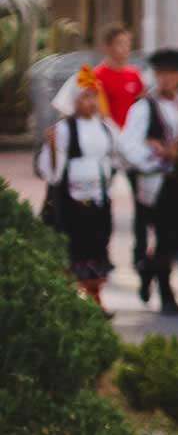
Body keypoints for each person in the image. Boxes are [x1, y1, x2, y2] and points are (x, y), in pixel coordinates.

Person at [120, 49, 178, 314]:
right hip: (155, 181)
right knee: (162, 235)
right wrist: (157, 155)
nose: (166, 79)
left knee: (176, 237)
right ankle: (165, 292)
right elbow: (129, 146)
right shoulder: (144, 106)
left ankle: (149, 269)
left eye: (172, 74)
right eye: (161, 74)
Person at [36, 70, 120, 311]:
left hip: (99, 197)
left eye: (94, 96)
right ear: (73, 100)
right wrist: (52, 148)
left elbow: (115, 156)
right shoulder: (64, 129)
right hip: (72, 200)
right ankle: (66, 301)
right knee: (73, 247)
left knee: (97, 245)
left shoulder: (105, 127)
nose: (90, 102)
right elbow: (52, 171)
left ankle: (95, 298)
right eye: (84, 97)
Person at [91, 25, 150, 293]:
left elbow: (142, 107)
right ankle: (103, 252)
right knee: (104, 202)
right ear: (107, 47)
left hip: (132, 149)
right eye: (119, 44)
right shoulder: (98, 77)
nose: (124, 50)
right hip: (111, 149)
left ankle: (140, 253)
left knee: (142, 202)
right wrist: (117, 139)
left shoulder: (134, 76)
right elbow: (101, 113)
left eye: (128, 44)